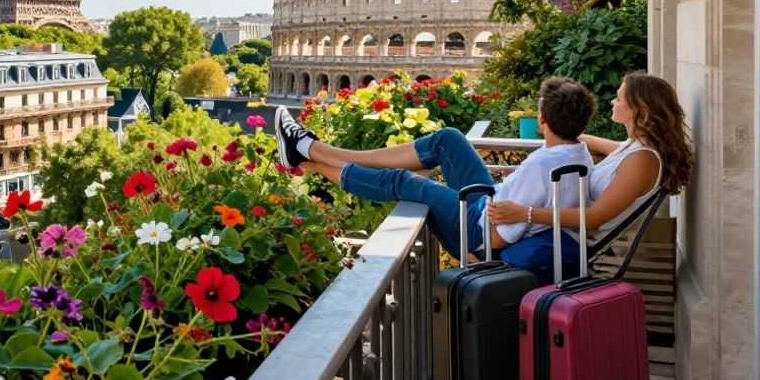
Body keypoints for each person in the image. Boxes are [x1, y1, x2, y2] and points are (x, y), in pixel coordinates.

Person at [274, 77, 599, 266]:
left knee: (405, 182)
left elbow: (497, 239)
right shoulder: (578, 153)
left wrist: (483, 234)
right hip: (489, 205)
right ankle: (310, 153)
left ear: (541, 119)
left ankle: (310, 152)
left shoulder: (542, 166)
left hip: (478, 232)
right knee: (449, 140)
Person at [485, 72, 694, 268]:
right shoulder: (634, 148)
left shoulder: (642, 160)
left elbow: (595, 217)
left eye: (619, 98)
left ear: (639, 109)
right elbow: (586, 140)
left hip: (581, 246)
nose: (613, 102)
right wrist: (539, 163)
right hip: (565, 233)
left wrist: (525, 214)